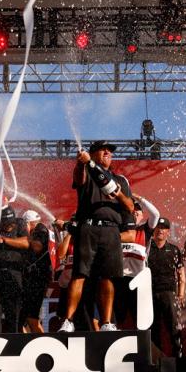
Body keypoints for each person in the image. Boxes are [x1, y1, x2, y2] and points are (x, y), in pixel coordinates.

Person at [59, 141, 133, 333]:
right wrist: (81, 163)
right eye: (103, 150)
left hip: (111, 231)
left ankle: (107, 322)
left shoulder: (121, 180)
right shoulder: (87, 171)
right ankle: (68, 321)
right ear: (92, 154)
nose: (108, 152)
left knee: (107, 277)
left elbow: (130, 206)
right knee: (80, 274)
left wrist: (116, 193)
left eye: (110, 151)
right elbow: (78, 179)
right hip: (88, 228)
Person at [113, 195, 160, 328]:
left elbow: (156, 214)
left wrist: (139, 198)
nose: (134, 212)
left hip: (138, 280)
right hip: (119, 279)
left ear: (141, 215)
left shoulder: (145, 230)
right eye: (131, 211)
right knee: (119, 317)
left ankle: (142, 346)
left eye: (137, 210)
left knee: (139, 319)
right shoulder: (119, 230)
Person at [147, 217, 186, 356]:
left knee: (174, 328)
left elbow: (181, 274)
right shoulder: (146, 248)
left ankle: (178, 359)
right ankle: (157, 361)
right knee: (153, 329)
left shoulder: (174, 250)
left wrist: (180, 295)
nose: (160, 231)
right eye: (158, 227)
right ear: (153, 229)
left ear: (168, 231)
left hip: (169, 293)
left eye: (163, 228)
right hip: (148, 294)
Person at [0, 205, 29, 333]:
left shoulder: (20, 224)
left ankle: (14, 341)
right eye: (5, 224)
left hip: (15, 273)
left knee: (13, 312)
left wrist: (3, 240)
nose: (9, 226)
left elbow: (26, 242)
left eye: (11, 223)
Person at [21, 210, 53, 333]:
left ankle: (42, 343)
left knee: (32, 319)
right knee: (24, 318)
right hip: (32, 280)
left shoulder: (41, 230)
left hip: (37, 281)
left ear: (29, 223)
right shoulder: (39, 230)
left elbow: (37, 247)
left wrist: (23, 239)